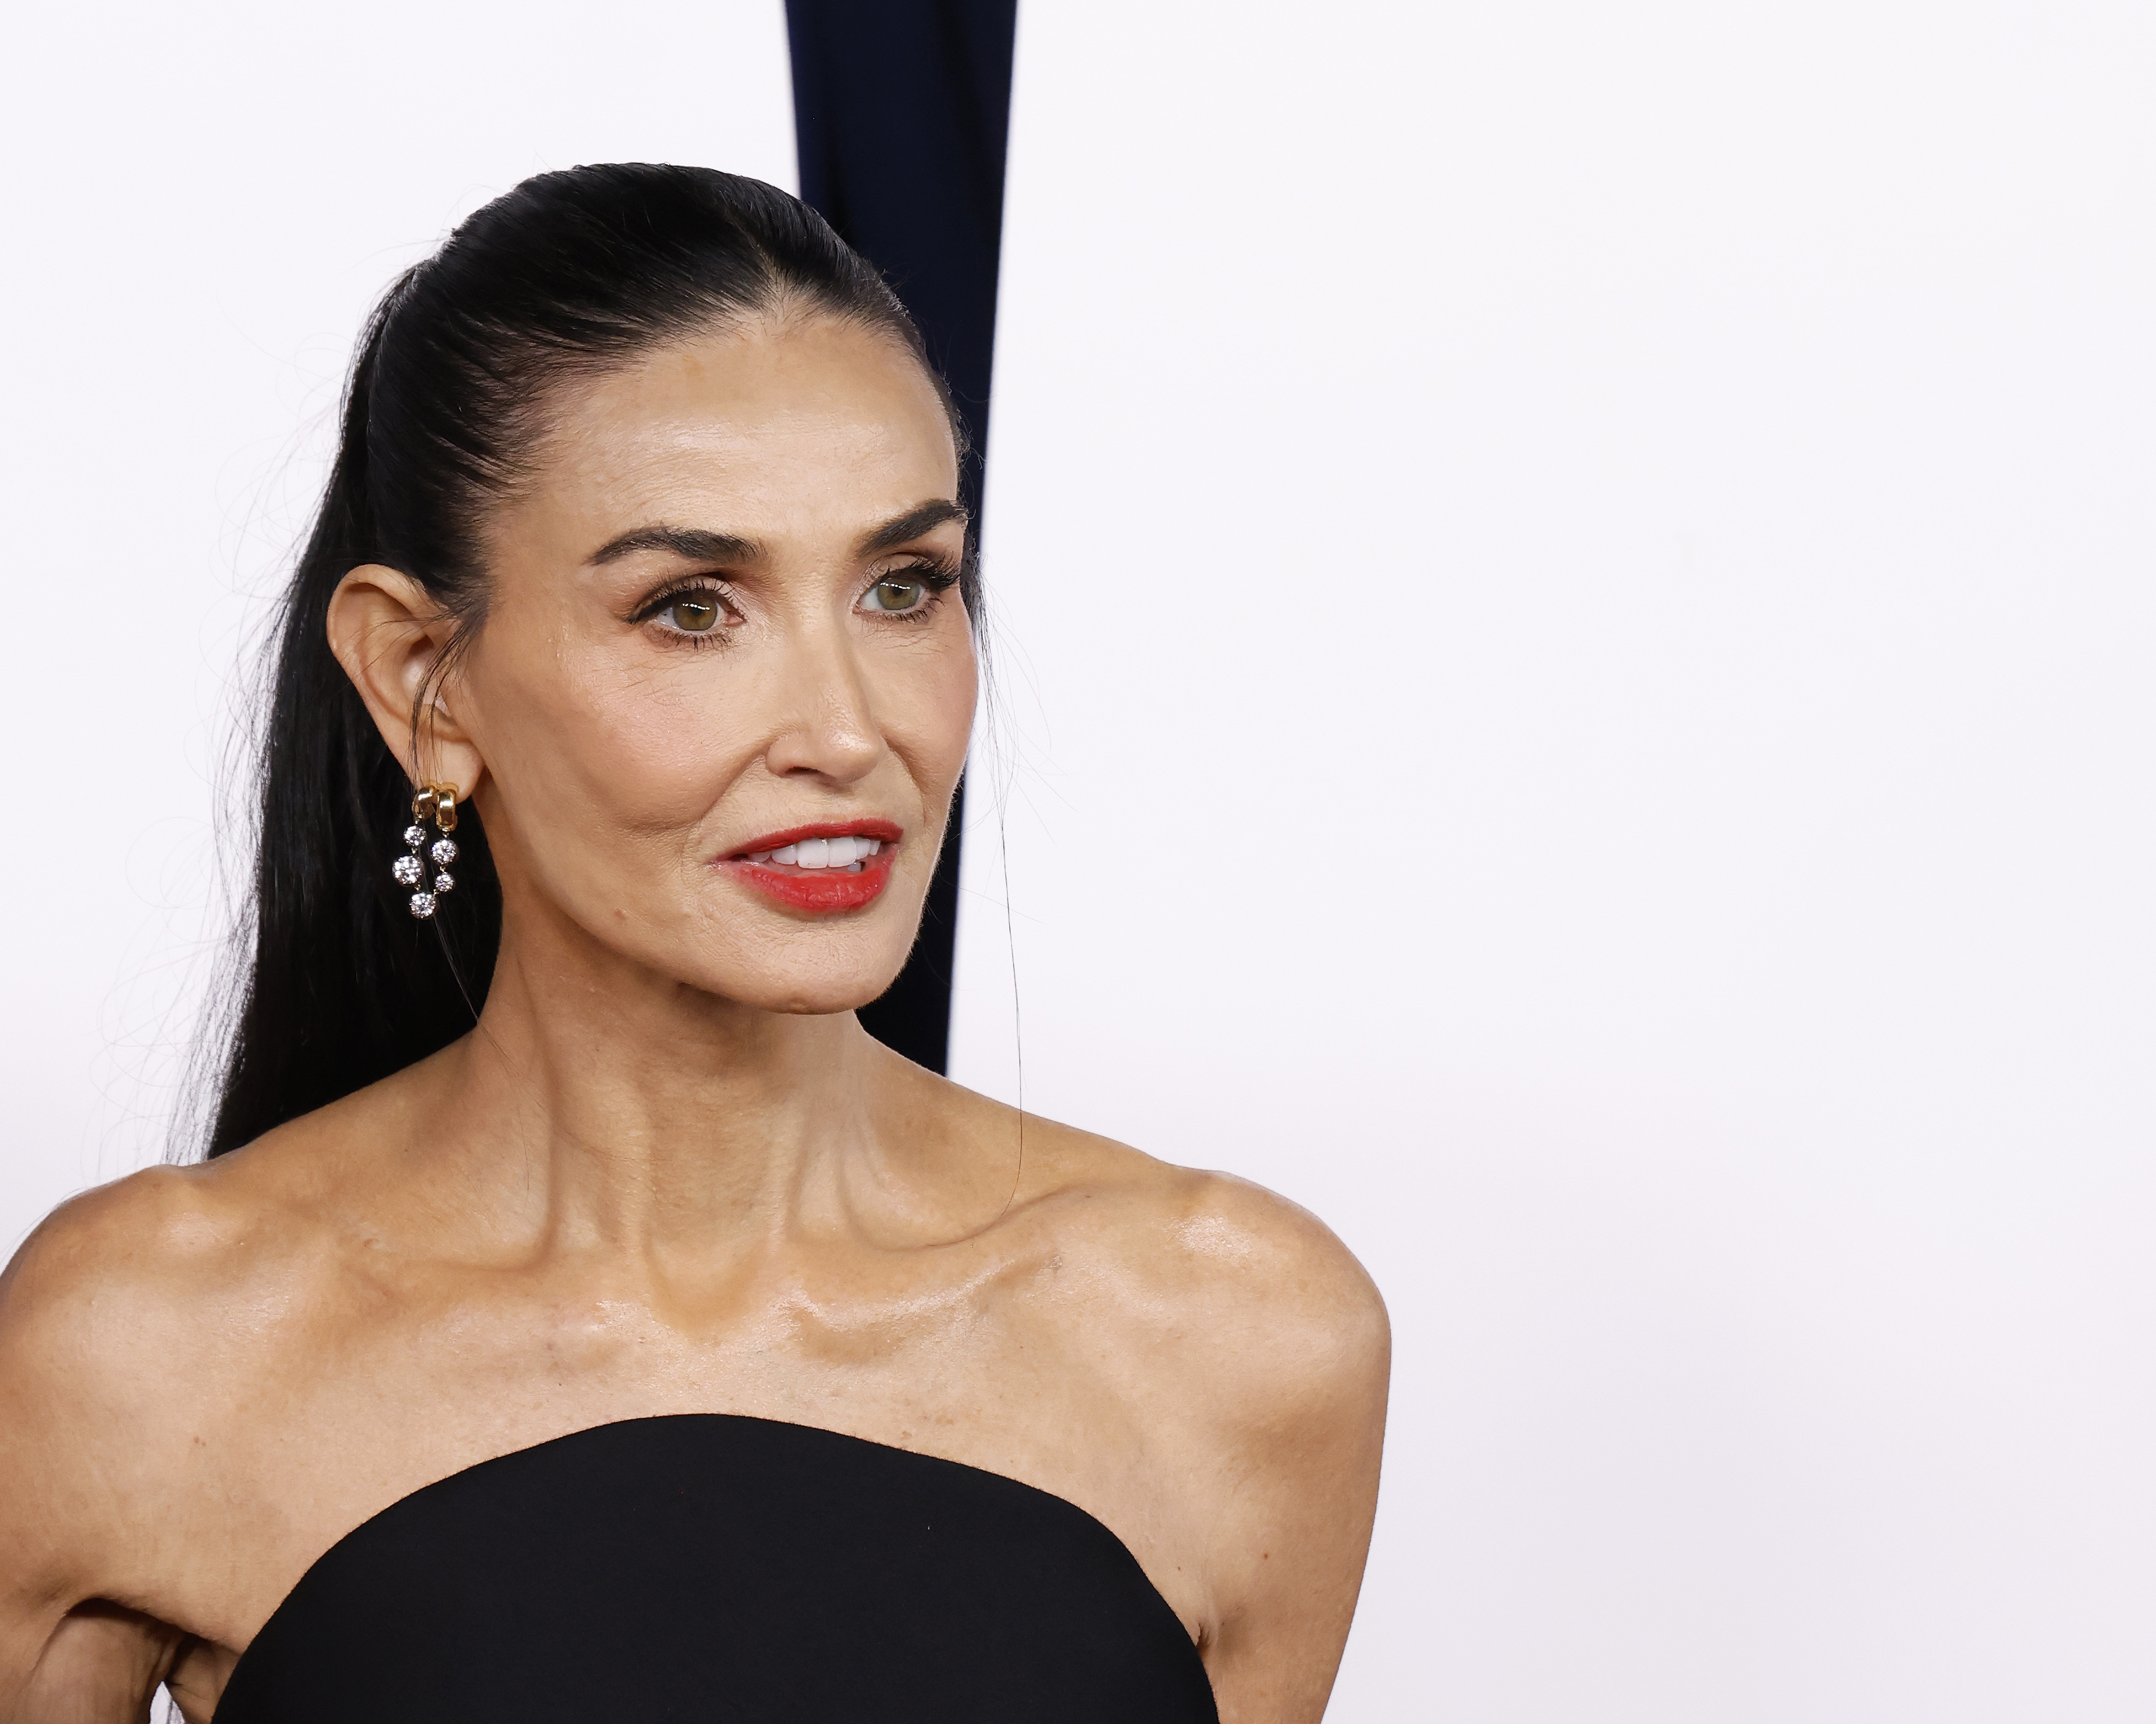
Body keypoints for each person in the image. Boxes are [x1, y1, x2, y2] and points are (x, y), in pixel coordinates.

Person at [0, 165, 1388, 1723]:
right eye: (689, 608)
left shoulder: (1235, 1334)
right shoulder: (134, 1353)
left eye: (901, 586)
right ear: (420, 680)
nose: (849, 730)